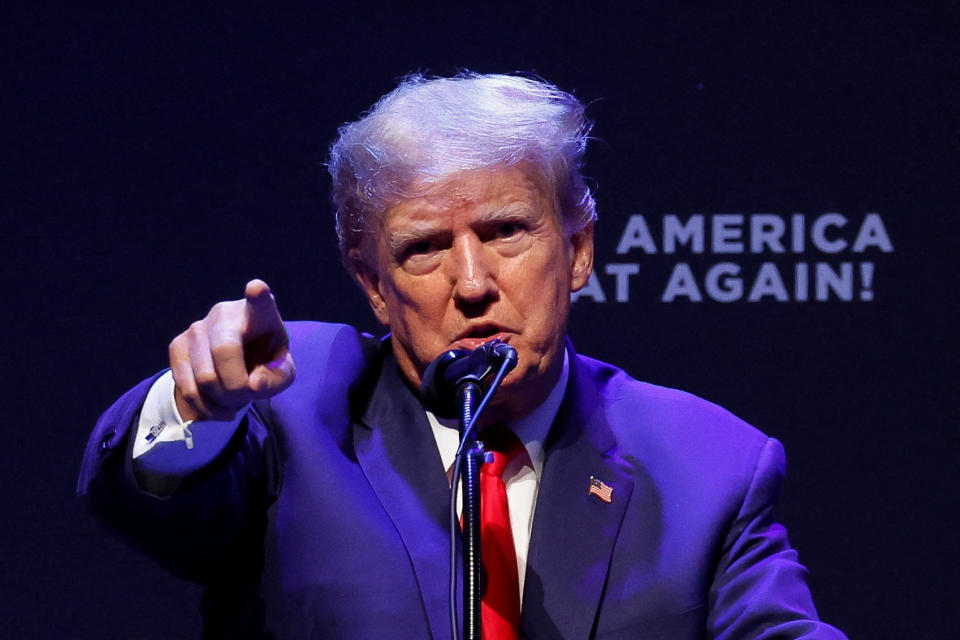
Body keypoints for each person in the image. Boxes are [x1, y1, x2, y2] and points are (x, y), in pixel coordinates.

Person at [78, 72, 846, 639]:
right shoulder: (297, 405)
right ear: (374, 285)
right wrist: (198, 407)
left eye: (507, 231)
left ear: (578, 251)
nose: (472, 284)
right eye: (423, 249)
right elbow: (142, 504)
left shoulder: (707, 463)